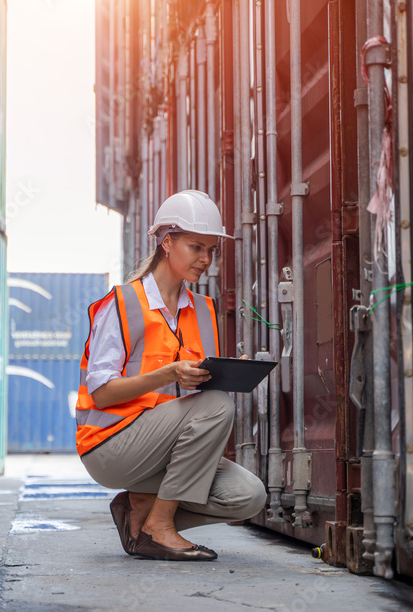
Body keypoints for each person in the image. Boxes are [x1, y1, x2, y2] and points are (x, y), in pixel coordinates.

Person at [76, 190, 267, 561]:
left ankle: (139, 512)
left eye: (211, 250)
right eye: (196, 247)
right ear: (167, 242)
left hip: (164, 451)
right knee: (215, 404)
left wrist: (227, 371)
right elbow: (100, 394)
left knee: (249, 496)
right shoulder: (122, 304)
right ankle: (160, 526)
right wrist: (166, 373)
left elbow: (195, 399)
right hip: (111, 447)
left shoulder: (203, 310)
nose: (206, 259)